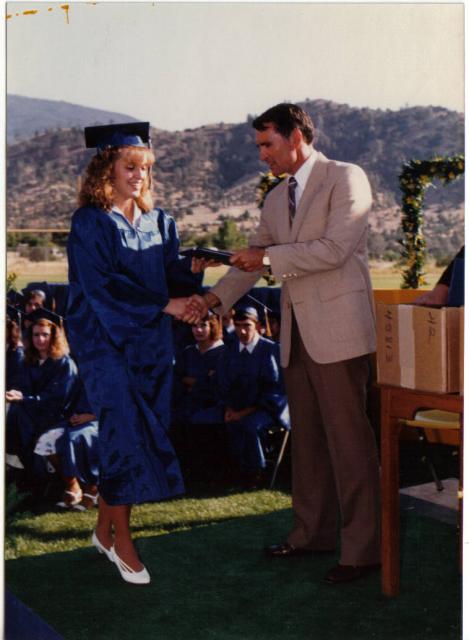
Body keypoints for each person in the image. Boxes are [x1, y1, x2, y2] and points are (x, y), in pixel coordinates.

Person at [194, 103, 380, 583]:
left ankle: (362, 553)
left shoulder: (347, 178)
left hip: (340, 334)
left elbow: (335, 249)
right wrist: (212, 300)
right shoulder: (275, 199)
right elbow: (249, 263)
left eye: (267, 144)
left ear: (296, 136)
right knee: (309, 446)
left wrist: (267, 257)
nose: (261, 156)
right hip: (297, 340)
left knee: (349, 444)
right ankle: (311, 535)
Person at [66, 122, 202, 585]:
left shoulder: (160, 222)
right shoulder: (90, 223)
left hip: (150, 346)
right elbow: (101, 287)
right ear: (107, 168)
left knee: (137, 435)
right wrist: (167, 302)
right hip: (104, 343)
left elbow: (171, 281)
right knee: (124, 434)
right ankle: (123, 542)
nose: (140, 176)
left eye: (145, 168)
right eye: (131, 166)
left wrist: (192, 272)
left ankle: (103, 529)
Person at [216, 305, 289, 487]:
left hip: (268, 408)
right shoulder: (229, 351)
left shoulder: (271, 350)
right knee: (219, 421)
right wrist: (229, 408)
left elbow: (274, 389)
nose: (242, 330)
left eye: (247, 325)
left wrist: (244, 412)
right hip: (236, 407)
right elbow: (222, 383)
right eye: (238, 325)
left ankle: (257, 472)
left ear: (257, 326)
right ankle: (230, 470)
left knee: (249, 425)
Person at [6, 309, 78, 485]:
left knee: (19, 417)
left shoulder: (63, 363)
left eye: (45, 335)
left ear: (54, 335)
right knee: (14, 412)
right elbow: (24, 387)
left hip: (57, 415)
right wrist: (18, 394)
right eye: (36, 335)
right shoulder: (29, 360)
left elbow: (56, 398)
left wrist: (24, 399)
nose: (40, 339)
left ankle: (40, 479)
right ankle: (28, 474)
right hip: (34, 411)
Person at [172, 312, 226, 479]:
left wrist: (193, 382)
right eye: (195, 326)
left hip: (214, 403)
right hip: (189, 402)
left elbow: (217, 384)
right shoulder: (188, 352)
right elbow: (179, 379)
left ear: (212, 326)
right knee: (174, 419)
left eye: (203, 325)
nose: (198, 330)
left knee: (199, 420)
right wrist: (203, 379)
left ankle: (206, 471)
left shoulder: (223, 352)